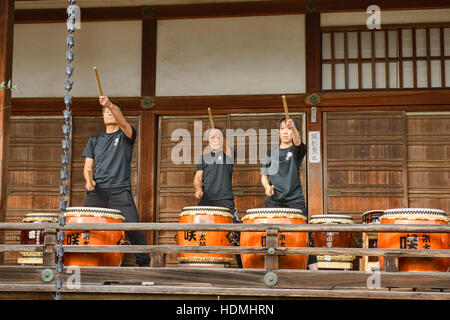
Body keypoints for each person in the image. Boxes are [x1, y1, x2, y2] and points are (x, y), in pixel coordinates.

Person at [82, 96, 151, 267]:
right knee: (84, 225)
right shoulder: (94, 140)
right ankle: (85, 262)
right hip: (97, 192)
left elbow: (125, 123)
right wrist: (88, 181)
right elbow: (87, 167)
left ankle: (144, 265)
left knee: (133, 228)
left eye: (112, 111)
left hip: (120, 190)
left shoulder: (126, 134)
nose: (109, 113)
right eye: (105, 111)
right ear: (102, 117)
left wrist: (110, 105)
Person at [261, 117, 318, 270]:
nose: (285, 131)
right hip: (274, 199)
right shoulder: (271, 152)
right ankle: (272, 267)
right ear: (278, 132)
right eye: (282, 128)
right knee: (271, 233)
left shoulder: (296, 150)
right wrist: (267, 187)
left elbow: (299, 142)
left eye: (289, 128)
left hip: (294, 198)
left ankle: (314, 272)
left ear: (294, 132)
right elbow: (264, 175)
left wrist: (295, 130)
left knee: (304, 233)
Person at [193, 126, 242, 267]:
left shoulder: (228, 154)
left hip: (225, 200)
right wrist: (198, 189)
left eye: (217, 136)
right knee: (197, 231)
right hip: (207, 200)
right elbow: (198, 177)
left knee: (236, 233)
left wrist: (220, 137)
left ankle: (243, 267)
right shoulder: (203, 158)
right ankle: (199, 263)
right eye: (211, 137)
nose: (214, 139)